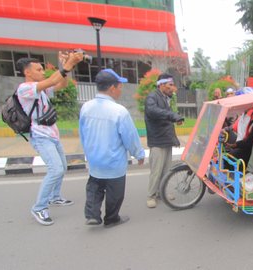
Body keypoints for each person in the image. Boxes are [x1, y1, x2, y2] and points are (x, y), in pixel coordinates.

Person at [16, 52, 83, 226]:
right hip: (40, 136)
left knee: (62, 166)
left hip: (52, 134)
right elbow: (53, 80)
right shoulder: (25, 88)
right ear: (27, 72)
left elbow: (61, 84)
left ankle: (55, 197)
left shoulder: (41, 88)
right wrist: (67, 64)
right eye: (38, 69)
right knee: (55, 169)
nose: (42, 71)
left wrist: (66, 67)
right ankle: (39, 207)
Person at [79, 69, 145, 228]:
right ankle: (111, 218)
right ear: (111, 88)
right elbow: (130, 136)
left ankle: (92, 214)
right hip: (113, 162)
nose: (121, 89)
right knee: (115, 193)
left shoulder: (86, 107)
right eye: (119, 86)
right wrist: (139, 154)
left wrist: (88, 152)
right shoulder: (119, 111)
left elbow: (83, 133)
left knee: (94, 188)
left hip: (95, 160)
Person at [144, 73, 184, 208]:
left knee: (166, 170)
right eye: (170, 85)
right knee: (156, 171)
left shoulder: (165, 98)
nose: (172, 88)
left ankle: (162, 192)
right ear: (161, 85)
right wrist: (173, 115)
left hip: (166, 140)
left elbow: (167, 122)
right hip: (157, 141)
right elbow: (153, 111)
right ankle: (151, 195)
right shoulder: (152, 97)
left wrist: (174, 139)